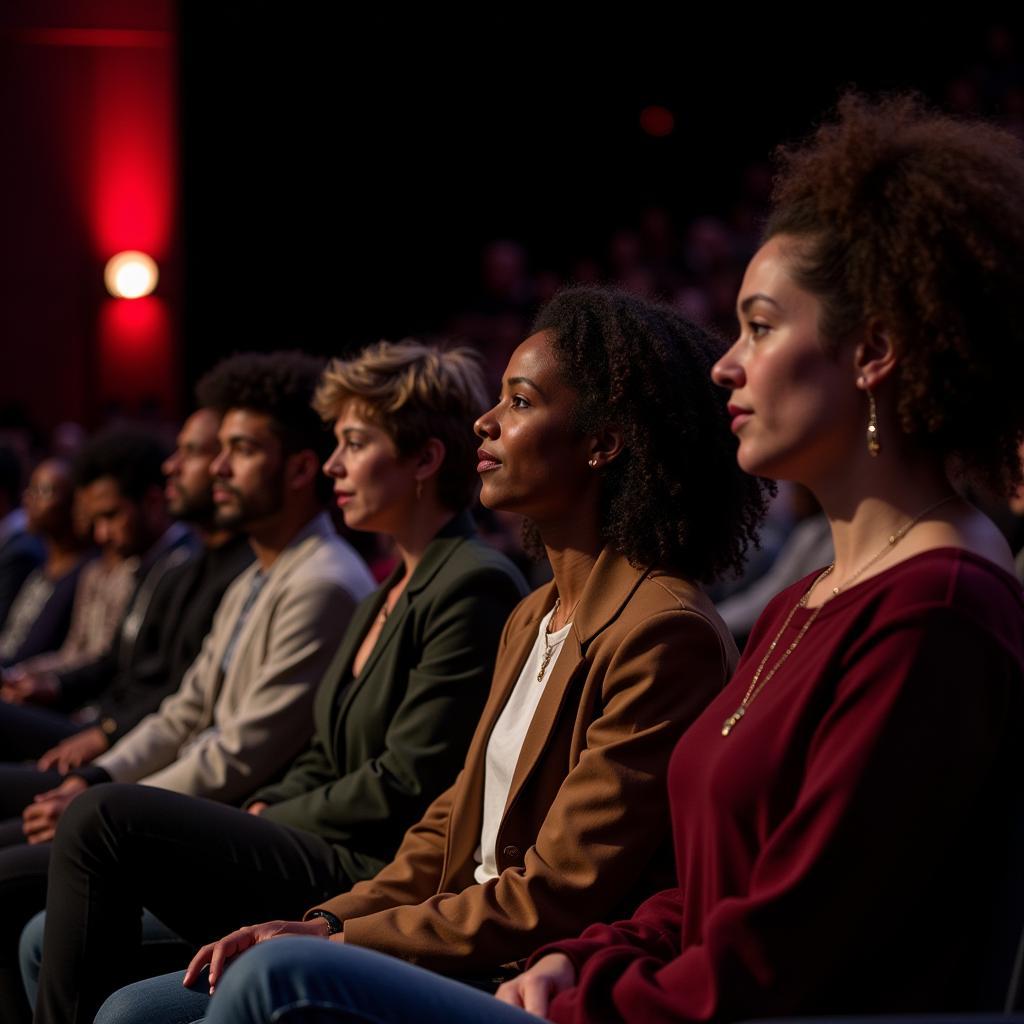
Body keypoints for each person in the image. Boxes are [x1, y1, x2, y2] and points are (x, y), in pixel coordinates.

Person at [170, 93, 1024, 1024]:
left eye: (763, 327)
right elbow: (695, 895)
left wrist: (578, 990)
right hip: (607, 985)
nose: (725, 366)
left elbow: (784, 953)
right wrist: (585, 957)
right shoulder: (807, 600)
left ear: (875, 352)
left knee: (275, 981)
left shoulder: (936, 607)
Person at [82, 287, 767, 1024]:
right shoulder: (533, 613)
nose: (487, 420)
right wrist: (331, 919)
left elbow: (558, 891)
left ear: (603, 441)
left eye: (521, 401)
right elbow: (450, 824)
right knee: (129, 1009)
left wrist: (344, 938)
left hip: (519, 972)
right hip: (450, 929)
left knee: (258, 969)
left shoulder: (662, 631)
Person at [19, 339, 528, 1022]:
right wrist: (269, 804)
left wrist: (265, 814)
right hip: (323, 839)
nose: (334, 465)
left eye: (353, 442)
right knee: (75, 871)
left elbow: (408, 780)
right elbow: (321, 750)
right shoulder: (387, 589)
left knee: (102, 815)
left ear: (424, 461)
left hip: (372, 865)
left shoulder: (472, 582)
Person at [0, 458, 90, 667]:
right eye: (30, 490)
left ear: (74, 504)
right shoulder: (42, 569)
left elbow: (33, 653)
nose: (28, 499)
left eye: (42, 491)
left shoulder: (81, 573)